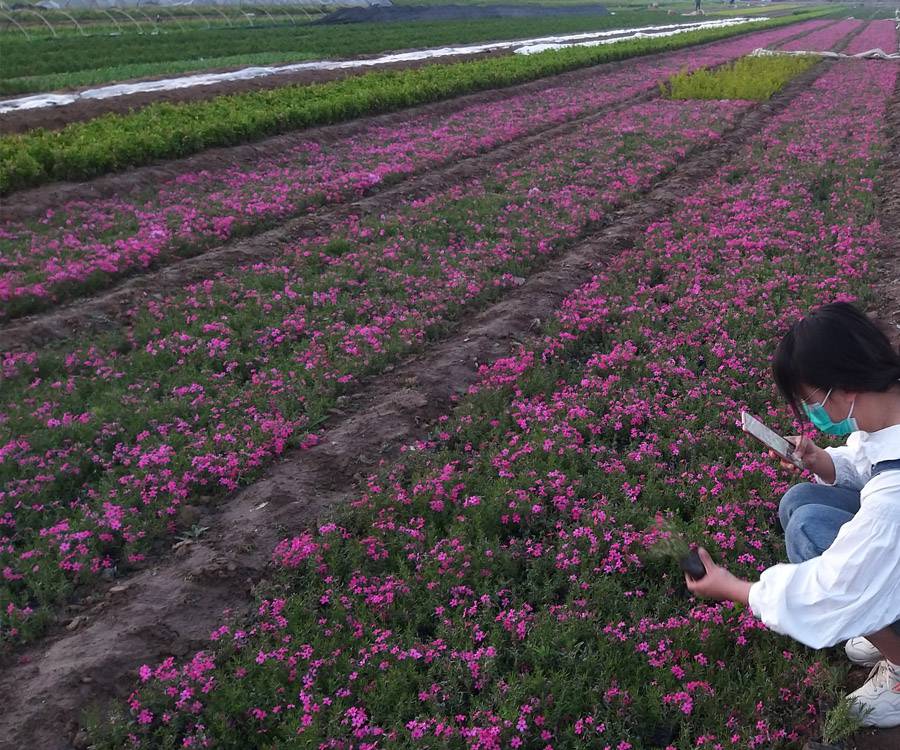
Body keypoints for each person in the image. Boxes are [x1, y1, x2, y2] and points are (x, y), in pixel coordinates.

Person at [685, 302, 900, 728]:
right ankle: (886, 625)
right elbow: (872, 460)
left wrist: (734, 588)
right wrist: (821, 460)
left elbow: (833, 588)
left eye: (811, 400)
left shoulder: (891, 503)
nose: (814, 412)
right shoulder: (890, 408)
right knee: (799, 500)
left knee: (808, 528)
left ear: (844, 389)